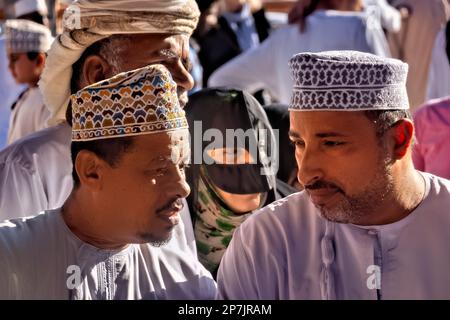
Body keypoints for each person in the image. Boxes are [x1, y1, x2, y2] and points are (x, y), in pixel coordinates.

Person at [218, 50, 450, 299]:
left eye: (331, 144)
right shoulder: (267, 240)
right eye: (299, 144)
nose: (305, 174)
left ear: (398, 140)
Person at [0, 64, 217, 300]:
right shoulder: (9, 257)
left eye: (182, 166)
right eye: (160, 168)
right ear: (91, 171)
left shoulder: (190, 284)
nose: (183, 188)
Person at [0, 0, 199, 224]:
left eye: (185, 64)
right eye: (164, 64)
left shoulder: (170, 171)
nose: (187, 81)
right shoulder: (27, 170)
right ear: (99, 75)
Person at [184, 88, 294, 275]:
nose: (251, 170)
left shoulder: (299, 225)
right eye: (231, 153)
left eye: (260, 147)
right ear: (195, 163)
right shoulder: (162, 241)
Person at [208, 0, 390, 104]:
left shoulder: (284, 36)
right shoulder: (361, 26)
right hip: (354, 155)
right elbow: (389, 95)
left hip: (303, 158)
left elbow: (220, 82)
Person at [4, 19, 52, 145]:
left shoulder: (49, 101)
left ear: (39, 60)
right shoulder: (28, 94)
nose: (9, 66)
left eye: (14, 59)